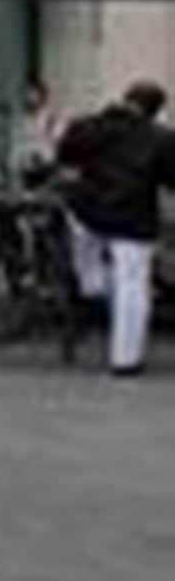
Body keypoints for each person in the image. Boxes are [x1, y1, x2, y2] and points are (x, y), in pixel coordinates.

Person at [56, 81, 175, 378]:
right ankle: (125, 358)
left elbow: (65, 154)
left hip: (87, 211)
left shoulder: (90, 126)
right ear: (156, 110)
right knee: (133, 285)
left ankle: (96, 287)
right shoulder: (160, 139)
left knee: (90, 270)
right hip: (133, 217)